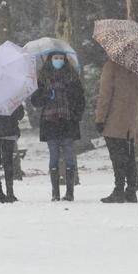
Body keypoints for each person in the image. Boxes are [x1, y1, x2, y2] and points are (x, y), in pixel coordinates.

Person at [30, 51, 86, 201]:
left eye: (61, 58)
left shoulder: (72, 78)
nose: (59, 61)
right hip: (51, 124)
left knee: (69, 158)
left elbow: (80, 99)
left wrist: (76, 115)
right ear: (50, 60)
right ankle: (55, 192)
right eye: (56, 58)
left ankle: (70, 193)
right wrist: (46, 95)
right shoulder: (42, 78)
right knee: (53, 157)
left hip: (68, 123)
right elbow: (35, 101)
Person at [95, 58, 138, 204]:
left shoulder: (111, 67)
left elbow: (105, 95)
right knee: (129, 155)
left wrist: (100, 118)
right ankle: (131, 190)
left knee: (117, 157)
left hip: (114, 119)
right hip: (130, 120)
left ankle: (118, 190)